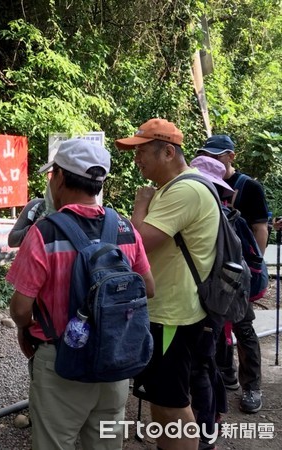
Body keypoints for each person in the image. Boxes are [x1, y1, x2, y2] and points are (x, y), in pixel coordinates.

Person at [6, 138, 154, 450]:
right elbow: (148, 288)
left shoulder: (45, 233)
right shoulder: (126, 229)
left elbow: (20, 309)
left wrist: (27, 328)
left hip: (62, 362)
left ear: (59, 177)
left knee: (54, 443)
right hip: (115, 360)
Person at [116, 118, 219, 450]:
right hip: (167, 311)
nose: (136, 159)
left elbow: (138, 243)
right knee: (162, 401)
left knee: (172, 404)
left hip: (173, 315)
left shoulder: (186, 190)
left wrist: (140, 205)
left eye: (142, 151)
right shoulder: (174, 188)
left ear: (168, 152)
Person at [197, 134, 267, 413]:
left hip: (240, 268)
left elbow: (260, 228)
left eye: (218, 156)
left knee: (242, 323)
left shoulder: (249, 187)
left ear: (231, 157)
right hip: (214, 268)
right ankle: (227, 372)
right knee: (215, 320)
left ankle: (252, 386)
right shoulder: (204, 184)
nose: (212, 160)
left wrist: (254, 267)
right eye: (208, 155)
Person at [188, 155, 235, 450]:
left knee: (199, 368)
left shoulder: (218, 218)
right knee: (206, 363)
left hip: (205, 304)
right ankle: (214, 417)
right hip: (217, 303)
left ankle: (206, 434)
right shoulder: (227, 214)